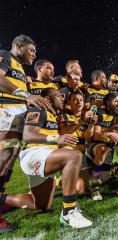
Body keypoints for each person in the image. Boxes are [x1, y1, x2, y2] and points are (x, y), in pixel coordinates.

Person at [0, 88, 92, 229]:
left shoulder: (53, 115)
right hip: (34, 154)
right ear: (47, 100)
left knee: (40, 204)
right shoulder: (38, 110)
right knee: (73, 156)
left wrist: (82, 121)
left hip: (47, 156)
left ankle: (2, 199)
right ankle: (69, 212)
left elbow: (64, 132)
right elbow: (29, 135)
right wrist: (56, 138)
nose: (63, 98)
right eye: (59, 96)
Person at [0, 35, 51, 232]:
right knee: (4, 157)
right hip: (5, 110)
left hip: (15, 114)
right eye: (32, 50)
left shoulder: (20, 68)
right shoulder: (5, 55)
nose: (34, 54)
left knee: (9, 157)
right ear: (18, 46)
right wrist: (27, 95)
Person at [87, 92, 118, 200]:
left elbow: (115, 130)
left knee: (105, 177)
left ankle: (114, 171)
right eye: (115, 101)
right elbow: (96, 136)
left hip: (109, 147)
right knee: (102, 149)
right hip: (94, 145)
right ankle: (94, 189)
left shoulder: (117, 116)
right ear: (107, 102)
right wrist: (109, 134)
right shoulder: (99, 113)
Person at [58, 90, 97, 193]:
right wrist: (81, 121)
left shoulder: (86, 116)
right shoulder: (64, 114)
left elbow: (88, 138)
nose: (78, 102)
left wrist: (91, 126)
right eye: (75, 100)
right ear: (70, 102)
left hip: (81, 151)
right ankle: (56, 181)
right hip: (68, 149)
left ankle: (62, 181)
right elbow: (63, 131)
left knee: (83, 189)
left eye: (81, 100)